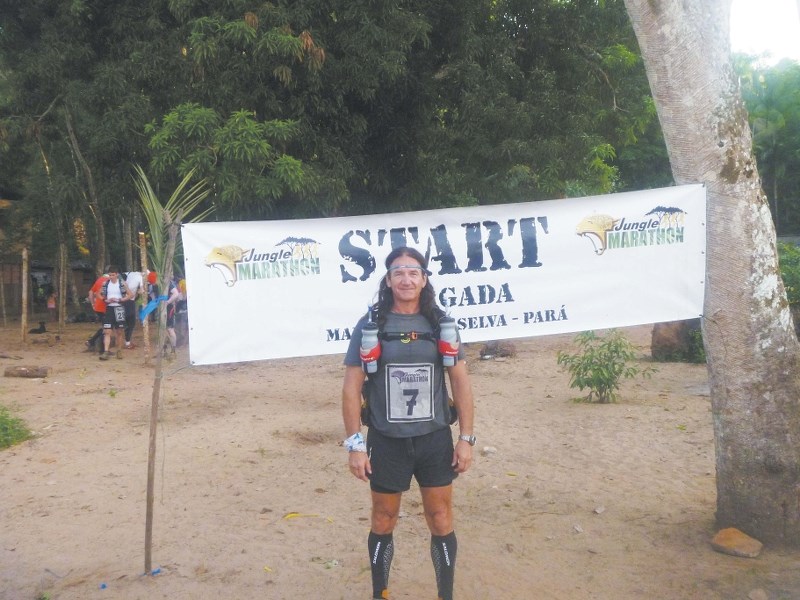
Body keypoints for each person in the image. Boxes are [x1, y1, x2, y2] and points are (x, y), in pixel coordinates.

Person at [342, 246, 476, 600]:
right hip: (387, 440)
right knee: (383, 519)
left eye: (413, 272)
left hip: (434, 438)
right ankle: (380, 594)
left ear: (424, 279)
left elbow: (460, 382)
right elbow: (351, 386)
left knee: (440, 516)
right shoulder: (371, 326)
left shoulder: (440, 325)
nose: (406, 278)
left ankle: (445, 595)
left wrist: (466, 438)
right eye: (398, 272)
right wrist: (355, 444)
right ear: (388, 280)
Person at [98, 266, 133, 361]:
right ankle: (106, 352)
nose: (111, 277)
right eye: (109, 275)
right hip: (109, 308)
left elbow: (131, 295)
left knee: (119, 331)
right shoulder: (105, 283)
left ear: (117, 274)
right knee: (107, 331)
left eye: (113, 275)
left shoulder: (122, 283)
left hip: (119, 308)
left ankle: (119, 350)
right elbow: (98, 294)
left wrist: (121, 299)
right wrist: (106, 300)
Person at [85, 271, 109, 353]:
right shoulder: (110, 281)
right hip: (105, 308)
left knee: (105, 327)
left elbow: (90, 292)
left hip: (98, 308)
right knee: (106, 328)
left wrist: (92, 303)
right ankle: (102, 349)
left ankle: (91, 342)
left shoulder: (99, 280)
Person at [122, 270, 144, 349]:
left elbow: (122, 275)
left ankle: (127, 341)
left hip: (124, 299)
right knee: (131, 323)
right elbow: (141, 291)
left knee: (127, 322)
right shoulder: (141, 278)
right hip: (129, 301)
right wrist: (141, 291)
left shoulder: (131, 273)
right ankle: (127, 343)